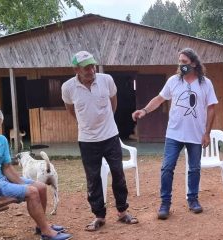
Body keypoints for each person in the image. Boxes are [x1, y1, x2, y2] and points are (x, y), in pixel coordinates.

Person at [132, 48, 218, 220]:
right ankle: (165, 203)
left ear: (194, 64)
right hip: (174, 133)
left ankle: (193, 200)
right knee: (167, 168)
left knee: (194, 169)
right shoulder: (173, 81)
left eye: (185, 62)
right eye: (179, 61)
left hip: (195, 134)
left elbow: (212, 108)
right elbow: (159, 99)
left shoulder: (205, 83)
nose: (181, 65)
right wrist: (144, 110)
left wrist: (207, 133)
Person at [61, 51, 138, 232]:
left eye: (92, 65)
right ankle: (99, 216)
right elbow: (70, 109)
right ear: (76, 69)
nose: (91, 70)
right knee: (93, 179)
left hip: (110, 136)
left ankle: (122, 211)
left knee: (118, 174)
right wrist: (85, 124)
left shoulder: (106, 80)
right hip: (87, 140)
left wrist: (106, 122)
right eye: (86, 67)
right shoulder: (68, 87)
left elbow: (114, 103)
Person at [0, 106, 72, 240]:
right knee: (32, 192)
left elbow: (7, 167)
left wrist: (22, 184)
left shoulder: (2, 140)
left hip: (1, 179)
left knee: (40, 187)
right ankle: (46, 232)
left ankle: (41, 225)